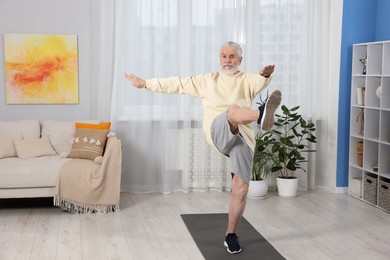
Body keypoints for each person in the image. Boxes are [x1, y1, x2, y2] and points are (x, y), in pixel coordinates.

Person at [125, 41, 281, 254]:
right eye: (224, 56)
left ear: (240, 60)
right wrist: (145, 84)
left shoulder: (247, 80)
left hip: (242, 139)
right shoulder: (207, 80)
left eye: (232, 56)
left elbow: (261, 81)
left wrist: (264, 75)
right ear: (220, 58)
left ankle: (230, 235)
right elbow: (177, 84)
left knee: (241, 188)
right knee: (233, 110)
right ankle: (261, 114)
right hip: (217, 130)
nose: (228, 60)